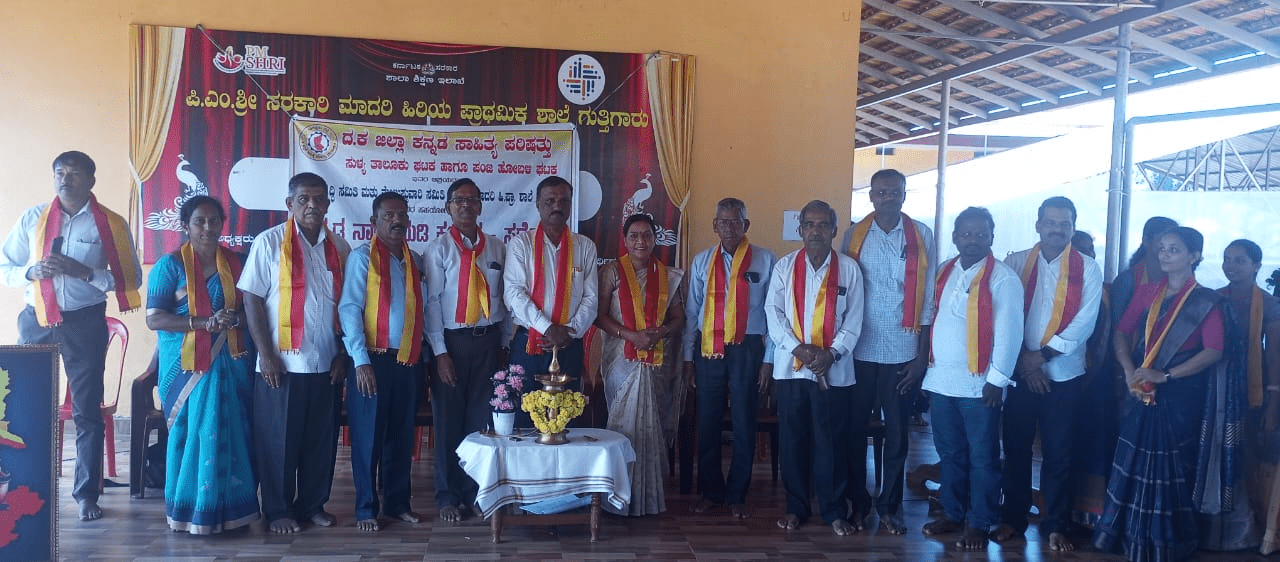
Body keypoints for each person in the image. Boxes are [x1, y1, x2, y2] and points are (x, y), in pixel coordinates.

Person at [0, 151, 143, 521]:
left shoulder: (110, 224)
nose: (65, 179)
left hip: (85, 323)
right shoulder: (33, 218)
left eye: (74, 173)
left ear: (91, 180)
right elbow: (5, 265)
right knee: (28, 407)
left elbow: (131, 279)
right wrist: (31, 271)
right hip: (37, 319)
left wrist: (85, 272)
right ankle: (28, 487)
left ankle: (86, 495)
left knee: (87, 411)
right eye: (59, 173)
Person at [1093, 226, 1245, 562]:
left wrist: (1165, 375)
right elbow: (1121, 333)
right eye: (1162, 248)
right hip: (1140, 387)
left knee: (1172, 469)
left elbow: (1214, 351)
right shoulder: (1147, 292)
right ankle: (1126, 536)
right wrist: (1129, 371)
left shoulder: (1207, 301)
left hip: (1180, 395)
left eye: (1173, 249)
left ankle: (1167, 543)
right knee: (1132, 462)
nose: (1164, 254)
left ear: (1194, 256)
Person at [239, 172, 350, 534]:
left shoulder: (340, 247)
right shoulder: (269, 242)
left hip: (326, 363)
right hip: (282, 364)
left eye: (319, 199)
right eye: (303, 199)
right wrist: (266, 354)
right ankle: (278, 510)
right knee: (278, 443)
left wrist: (343, 354)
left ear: (328, 204)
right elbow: (252, 299)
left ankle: (313, 505)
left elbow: (349, 307)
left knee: (320, 443)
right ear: (290, 204)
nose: (311, 205)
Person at [993, 197, 1102, 551]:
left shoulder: (1088, 268)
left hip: (1064, 375)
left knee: (1058, 453)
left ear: (1073, 227)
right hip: (1020, 373)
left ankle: (1055, 524)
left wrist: (1039, 358)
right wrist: (1024, 363)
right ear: (1038, 225)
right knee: (1016, 449)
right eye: (1050, 223)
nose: (1057, 229)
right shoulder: (1015, 263)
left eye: (1064, 224)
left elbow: (1084, 323)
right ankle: (1013, 518)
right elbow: (1000, 317)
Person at [145, 196, 258, 534]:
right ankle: (190, 511)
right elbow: (154, 318)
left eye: (214, 221)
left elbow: (253, 310)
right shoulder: (170, 266)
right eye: (199, 221)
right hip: (187, 366)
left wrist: (232, 319)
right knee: (194, 431)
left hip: (232, 362)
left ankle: (234, 511)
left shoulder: (238, 263)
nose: (208, 227)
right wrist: (204, 324)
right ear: (185, 226)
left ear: (223, 224)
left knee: (234, 429)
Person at [920, 206, 1023, 550]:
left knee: (983, 457)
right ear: (955, 237)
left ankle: (979, 522)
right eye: (966, 234)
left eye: (981, 234)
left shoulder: (1003, 278)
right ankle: (952, 513)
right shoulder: (945, 271)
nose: (973, 240)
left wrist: (998, 379)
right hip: (941, 381)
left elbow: (1010, 333)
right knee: (949, 453)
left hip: (980, 386)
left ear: (992, 237)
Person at [839, 169, 936, 534]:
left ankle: (890, 507)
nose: (888, 198)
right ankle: (859, 504)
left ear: (905, 195)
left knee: (897, 434)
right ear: (871, 196)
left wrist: (921, 357)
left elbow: (928, 297)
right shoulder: (854, 235)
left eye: (895, 192)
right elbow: (842, 290)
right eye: (881, 192)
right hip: (860, 349)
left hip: (902, 349)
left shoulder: (921, 234)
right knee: (854, 431)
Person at [763, 200, 864, 536]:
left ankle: (834, 510)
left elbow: (854, 320)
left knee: (831, 442)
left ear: (834, 230)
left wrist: (832, 354)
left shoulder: (849, 269)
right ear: (800, 229)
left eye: (823, 225)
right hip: (792, 369)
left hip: (835, 371)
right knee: (793, 441)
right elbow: (773, 313)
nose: (816, 231)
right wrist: (798, 348)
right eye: (809, 224)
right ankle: (796, 507)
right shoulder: (785, 267)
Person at [683, 197, 777, 520]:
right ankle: (711, 492)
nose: (729, 227)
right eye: (723, 221)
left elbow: (773, 312)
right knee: (708, 420)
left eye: (736, 221)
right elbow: (692, 312)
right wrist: (687, 359)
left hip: (747, 348)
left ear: (746, 225)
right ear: (715, 226)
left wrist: (769, 360)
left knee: (744, 420)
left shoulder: (765, 259)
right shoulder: (702, 261)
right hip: (708, 347)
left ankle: (738, 494)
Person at [338, 192, 426, 532]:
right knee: (368, 437)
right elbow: (350, 309)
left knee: (401, 436)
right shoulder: (363, 258)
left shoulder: (413, 260)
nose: (396, 220)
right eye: (389, 215)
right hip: (371, 362)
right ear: (374, 222)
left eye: (402, 214)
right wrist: (360, 361)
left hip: (407, 361)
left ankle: (397, 503)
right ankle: (365, 509)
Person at [424, 178, 508, 523]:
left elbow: (504, 300)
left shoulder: (497, 248)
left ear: (480, 206)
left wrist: (504, 344)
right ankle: (447, 496)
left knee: (481, 422)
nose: (466, 205)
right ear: (448, 207)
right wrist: (440, 353)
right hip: (452, 344)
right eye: (459, 200)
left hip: (488, 341)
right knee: (448, 422)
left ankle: (476, 493)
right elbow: (431, 303)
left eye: (472, 199)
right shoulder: (438, 249)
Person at [594, 214, 687, 516]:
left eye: (647, 235)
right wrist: (631, 335)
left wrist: (661, 332)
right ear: (625, 239)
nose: (640, 241)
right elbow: (600, 316)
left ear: (655, 239)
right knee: (623, 423)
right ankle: (618, 495)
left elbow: (678, 318)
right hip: (620, 359)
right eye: (634, 235)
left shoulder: (669, 275)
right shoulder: (611, 272)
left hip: (657, 361)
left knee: (651, 424)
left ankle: (649, 496)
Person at [503, 175, 598, 426]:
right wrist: (548, 329)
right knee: (524, 421)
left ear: (570, 204)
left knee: (566, 419)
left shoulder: (585, 247)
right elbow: (514, 294)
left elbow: (591, 299)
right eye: (550, 201)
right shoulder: (521, 244)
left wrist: (569, 332)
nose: (557, 206)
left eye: (563, 201)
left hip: (569, 345)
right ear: (537, 204)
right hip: (530, 344)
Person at [1214, 238, 1274, 552]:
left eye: (1239, 260)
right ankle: (1213, 528)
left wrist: (1273, 403)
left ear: (1256, 265)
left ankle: (1247, 530)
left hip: (1250, 390)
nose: (1231, 266)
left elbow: (1274, 356)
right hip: (1213, 388)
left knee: (1245, 457)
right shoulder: (1213, 298)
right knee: (1212, 456)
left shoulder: (1269, 304)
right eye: (1227, 259)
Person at [1067, 230, 1121, 530]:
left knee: (1095, 445)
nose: (1087, 255)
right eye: (1080, 249)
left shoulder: (1104, 290)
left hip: (1097, 381)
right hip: (1062, 376)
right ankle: (1063, 511)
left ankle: (1091, 514)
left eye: (1091, 250)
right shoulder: (1056, 285)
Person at [1111, 217, 1177, 326]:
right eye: (1163, 240)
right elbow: (1118, 328)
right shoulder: (1127, 281)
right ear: (1146, 240)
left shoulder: (1178, 279)